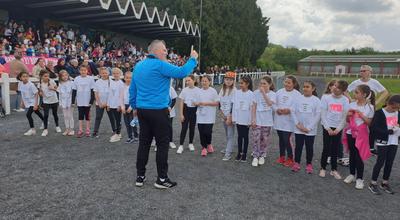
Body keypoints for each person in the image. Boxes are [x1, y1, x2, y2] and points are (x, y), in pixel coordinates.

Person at [129, 40, 198, 189]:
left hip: (142, 110)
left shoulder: (138, 66)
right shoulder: (160, 65)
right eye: (164, 50)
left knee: (144, 143)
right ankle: (161, 178)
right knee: (162, 144)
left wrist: (134, 106)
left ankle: (140, 176)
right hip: (158, 111)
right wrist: (193, 59)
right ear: (155, 51)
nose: (166, 52)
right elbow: (182, 72)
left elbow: (132, 89)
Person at [343, 84, 375, 189]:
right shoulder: (351, 104)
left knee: (359, 155)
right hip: (350, 133)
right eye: (355, 92)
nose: (354, 94)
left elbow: (369, 123)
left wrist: (361, 115)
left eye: (357, 92)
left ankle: (360, 178)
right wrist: (348, 116)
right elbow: (347, 121)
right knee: (352, 154)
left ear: (364, 94)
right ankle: (352, 174)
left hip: (362, 134)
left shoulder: (370, 107)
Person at [368, 95, 400, 195]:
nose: (396, 110)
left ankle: (384, 182)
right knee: (380, 162)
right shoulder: (379, 113)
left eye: (398, 108)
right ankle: (373, 183)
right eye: (394, 107)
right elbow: (373, 129)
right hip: (383, 141)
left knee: (389, 162)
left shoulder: (397, 113)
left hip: (394, 142)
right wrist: (388, 132)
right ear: (389, 104)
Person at [320, 80, 350, 180]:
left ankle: (334, 170)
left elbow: (344, 117)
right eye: (334, 86)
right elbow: (323, 114)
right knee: (326, 148)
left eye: (337, 87)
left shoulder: (345, 100)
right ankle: (323, 168)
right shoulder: (325, 97)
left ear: (342, 90)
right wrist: (327, 128)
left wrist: (338, 129)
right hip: (327, 126)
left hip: (338, 128)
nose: (334, 88)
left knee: (335, 149)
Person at [291, 81, 321, 173]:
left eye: (307, 87)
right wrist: (297, 124)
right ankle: (296, 163)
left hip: (310, 130)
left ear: (313, 89)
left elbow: (318, 115)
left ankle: (309, 164)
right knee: (298, 146)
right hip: (299, 129)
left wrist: (309, 128)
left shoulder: (316, 100)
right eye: (304, 87)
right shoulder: (298, 99)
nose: (305, 89)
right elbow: (292, 111)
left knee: (309, 147)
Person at [274, 75, 301, 167]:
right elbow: (274, 103)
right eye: (285, 82)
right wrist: (277, 109)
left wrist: (289, 110)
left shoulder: (297, 94)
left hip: (289, 121)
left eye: (289, 82)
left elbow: (297, 106)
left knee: (287, 139)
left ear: (294, 84)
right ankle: (282, 156)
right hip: (279, 119)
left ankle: (290, 157)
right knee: (281, 139)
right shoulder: (279, 92)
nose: (286, 84)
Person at [250, 76, 275, 167]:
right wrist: (253, 119)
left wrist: (264, 93)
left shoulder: (272, 94)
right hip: (257, 120)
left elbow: (269, 104)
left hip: (267, 121)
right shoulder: (256, 93)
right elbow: (254, 106)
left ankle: (262, 155)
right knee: (256, 138)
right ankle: (256, 156)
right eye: (261, 83)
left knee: (265, 139)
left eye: (264, 83)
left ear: (270, 84)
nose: (262, 85)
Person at [194, 75, 219, 157]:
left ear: (209, 82)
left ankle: (209, 144)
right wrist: (197, 103)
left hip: (209, 115)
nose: (204, 83)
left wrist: (206, 103)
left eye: (205, 81)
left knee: (208, 131)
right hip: (200, 115)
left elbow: (217, 103)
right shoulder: (198, 91)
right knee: (201, 131)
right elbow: (195, 102)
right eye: (202, 81)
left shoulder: (213, 91)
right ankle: (204, 148)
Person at [232, 75, 254, 162]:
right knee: (239, 136)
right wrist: (234, 118)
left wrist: (250, 120)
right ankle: (239, 152)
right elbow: (234, 106)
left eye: (242, 83)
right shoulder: (237, 93)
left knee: (245, 136)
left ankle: (244, 153)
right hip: (238, 118)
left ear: (247, 84)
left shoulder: (251, 94)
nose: (240, 85)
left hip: (246, 119)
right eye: (240, 83)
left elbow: (252, 108)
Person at [177, 75, 200, 154]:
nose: (187, 82)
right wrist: (181, 114)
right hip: (186, 110)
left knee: (192, 128)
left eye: (189, 80)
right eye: (186, 81)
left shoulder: (198, 90)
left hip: (194, 110)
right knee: (184, 128)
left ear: (193, 80)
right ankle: (181, 145)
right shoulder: (184, 90)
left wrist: (197, 104)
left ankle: (190, 143)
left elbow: (200, 102)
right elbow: (181, 102)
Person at [18, 72, 44, 136]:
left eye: (26, 76)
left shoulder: (31, 85)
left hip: (33, 102)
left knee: (28, 114)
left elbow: (36, 94)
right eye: (23, 76)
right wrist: (22, 102)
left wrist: (35, 104)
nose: (25, 78)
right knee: (37, 112)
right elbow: (22, 94)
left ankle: (32, 129)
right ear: (20, 78)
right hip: (27, 102)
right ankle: (45, 121)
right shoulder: (20, 84)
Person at [73, 64, 96, 138]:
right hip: (80, 100)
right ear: (79, 71)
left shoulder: (91, 78)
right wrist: (73, 101)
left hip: (87, 100)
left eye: (84, 70)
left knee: (87, 115)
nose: (83, 71)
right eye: (81, 70)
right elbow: (74, 90)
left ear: (87, 71)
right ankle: (80, 129)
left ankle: (88, 129)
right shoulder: (76, 79)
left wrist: (91, 101)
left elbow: (93, 90)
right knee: (80, 115)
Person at [219, 71, 236, 161]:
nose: (228, 81)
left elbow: (233, 105)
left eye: (230, 80)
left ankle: (228, 153)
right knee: (227, 134)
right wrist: (222, 114)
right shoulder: (222, 90)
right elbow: (220, 103)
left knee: (230, 135)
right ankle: (229, 148)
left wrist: (229, 116)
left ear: (233, 81)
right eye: (226, 79)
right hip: (223, 115)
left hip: (230, 116)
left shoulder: (234, 91)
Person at [38, 70, 61, 136]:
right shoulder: (40, 84)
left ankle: (57, 126)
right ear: (41, 76)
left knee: (55, 114)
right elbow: (40, 92)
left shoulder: (52, 81)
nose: (47, 77)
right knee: (46, 115)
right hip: (46, 101)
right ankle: (45, 129)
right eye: (45, 76)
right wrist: (40, 93)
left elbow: (57, 89)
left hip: (54, 100)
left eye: (48, 76)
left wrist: (52, 88)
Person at [107, 68, 124, 143]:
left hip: (117, 105)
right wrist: (108, 104)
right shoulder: (111, 82)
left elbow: (121, 96)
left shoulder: (121, 83)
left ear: (120, 74)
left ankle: (118, 133)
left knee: (118, 120)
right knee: (113, 118)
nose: (116, 75)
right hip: (111, 104)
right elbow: (110, 94)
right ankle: (116, 133)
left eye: (117, 73)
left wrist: (119, 105)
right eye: (114, 73)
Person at [92, 67, 110, 138]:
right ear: (100, 74)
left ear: (108, 73)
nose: (104, 74)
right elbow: (96, 93)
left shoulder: (111, 81)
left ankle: (115, 130)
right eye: (103, 73)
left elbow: (112, 93)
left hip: (109, 103)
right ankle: (95, 131)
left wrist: (107, 103)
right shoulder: (97, 82)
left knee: (111, 117)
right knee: (98, 117)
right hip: (99, 103)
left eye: (106, 73)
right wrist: (99, 103)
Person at [121, 71, 138, 144]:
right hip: (125, 106)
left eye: (130, 78)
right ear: (124, 78)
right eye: (127, 78)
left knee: (133, 122)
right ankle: (129, 136)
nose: (128, 79)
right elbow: (121, 98)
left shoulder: (134, 87)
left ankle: (136, 137)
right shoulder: (122, 87)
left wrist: (131, 107)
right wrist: (122, 107)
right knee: (127, 123)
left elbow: (135, 97)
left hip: (132, 106)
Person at [58, 70, 74, 136]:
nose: (64, 77)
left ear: (68, 75)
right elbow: (60, 94)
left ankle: (71, 129)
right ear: (60, 77)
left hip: (70, 101)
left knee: (70, 116)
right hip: (63, 102)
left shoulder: (71, 83)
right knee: (65, 116)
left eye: (66, 75)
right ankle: (67, 129)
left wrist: (73, 102)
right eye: (63, 76)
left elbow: (73, 93)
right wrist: (60, 103)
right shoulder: (60, 84)